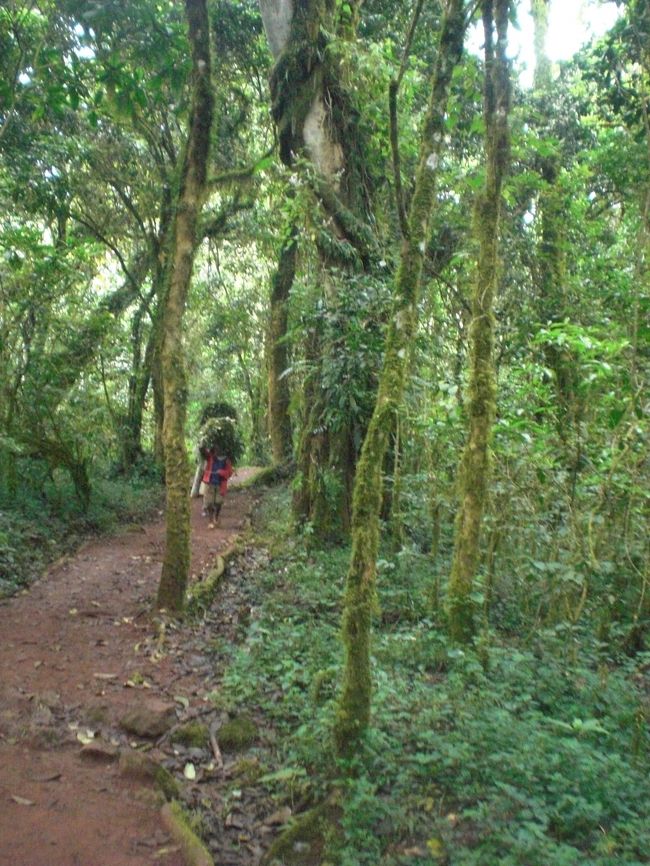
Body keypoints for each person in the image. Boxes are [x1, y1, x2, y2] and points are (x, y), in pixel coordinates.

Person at [201, 446, 233, 524]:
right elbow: (204, 453)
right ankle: (211, 521)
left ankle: (216, 517)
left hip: (220, 485)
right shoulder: (210, 458)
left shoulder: (226, 461)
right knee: (209, 503)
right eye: (214, 453)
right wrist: (202, 447)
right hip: (210, 484)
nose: (215, 455)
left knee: (218, 502)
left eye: (216, 453)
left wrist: (221, 472)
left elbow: (229, 473)